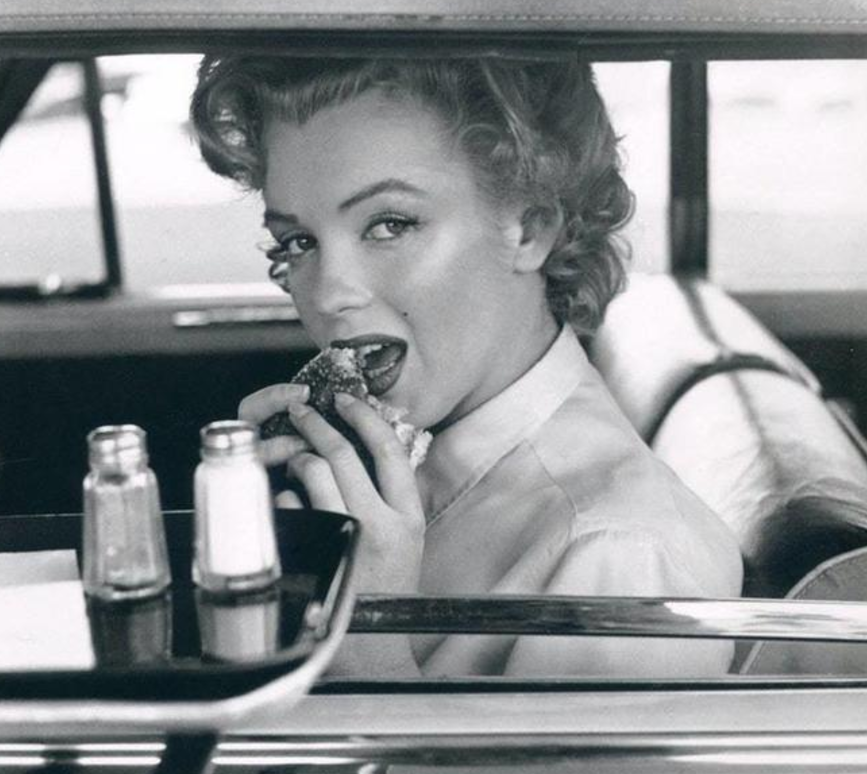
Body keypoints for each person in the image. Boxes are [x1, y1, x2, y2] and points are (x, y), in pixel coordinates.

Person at [190, 56, 743, 678]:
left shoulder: (619, 553)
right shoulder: (373, 465)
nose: (327, 293)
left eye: (389, 224)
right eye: (300, 242)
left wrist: (367, 625)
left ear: (529, 230)